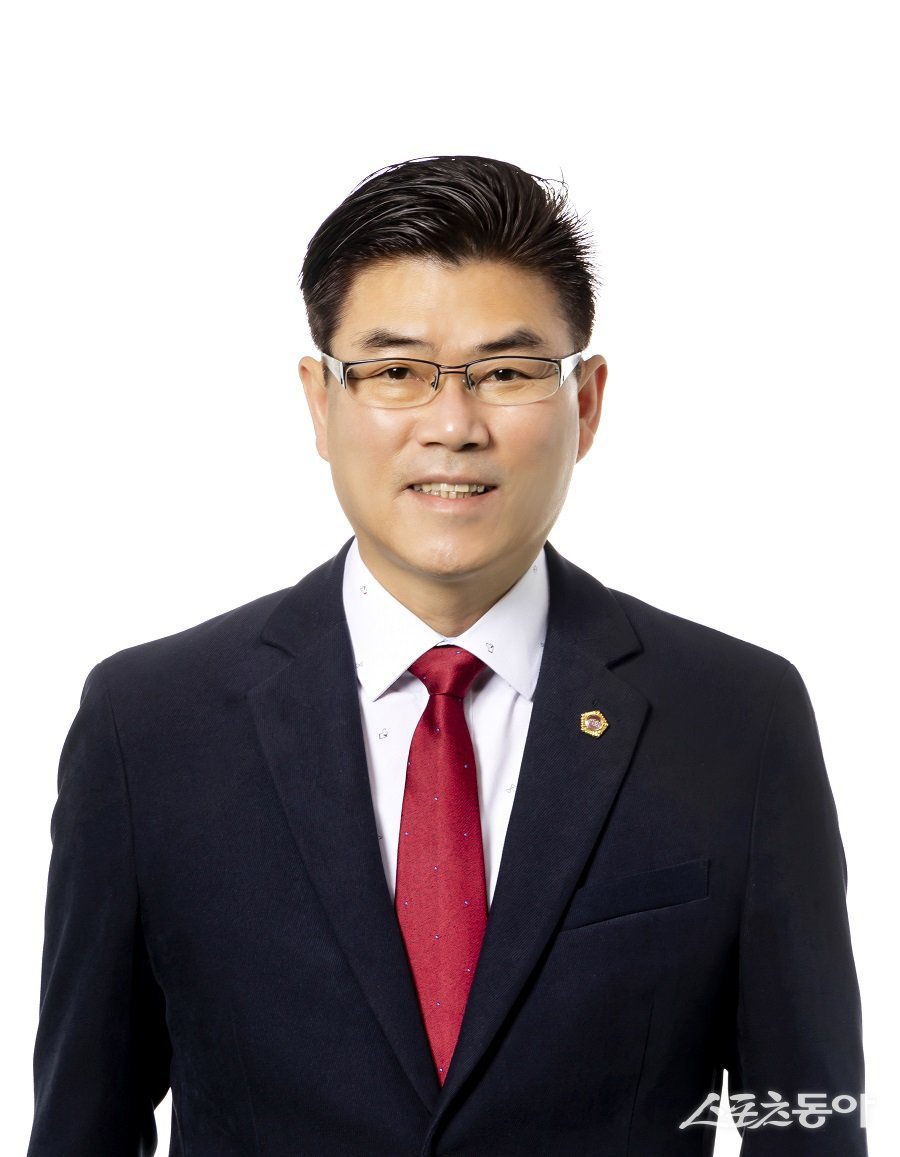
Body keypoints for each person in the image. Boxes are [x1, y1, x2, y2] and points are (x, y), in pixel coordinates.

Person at [28, 156, 866, 1156]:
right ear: (320, 400)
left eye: (506, 372)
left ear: (587, 402)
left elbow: (807, 1115)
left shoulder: (735, 718)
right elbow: (83, 1124)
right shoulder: (149, 726)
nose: (454, 425)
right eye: (396, 372)